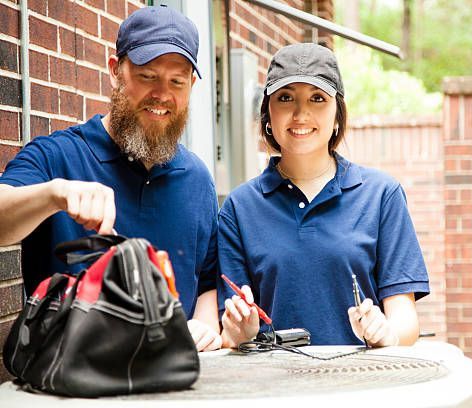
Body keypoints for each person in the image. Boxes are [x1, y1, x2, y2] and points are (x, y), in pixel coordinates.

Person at [0, 6, 221, 351]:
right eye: (148, 75)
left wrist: (205, 325)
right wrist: (53, 195)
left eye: (176, 81)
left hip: (173, 381)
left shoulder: (197, 178)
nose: (162, 95)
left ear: (191, 85)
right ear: (116, 71)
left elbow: (208, 280)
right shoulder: (57, 156)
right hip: (71, 386)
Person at [218, 43, 430, 348]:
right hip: (271, 390)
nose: (301, 113)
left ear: (337, 116)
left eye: (317, 98)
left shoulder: (382, 196)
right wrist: (240, 331)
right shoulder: (239, 209)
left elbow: (405, 320)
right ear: (268, 115)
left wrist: (386, 332)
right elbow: (230, 333)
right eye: (286, 97)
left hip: (362, 386)